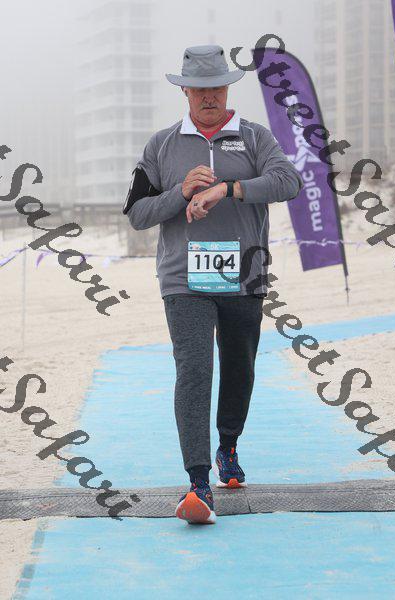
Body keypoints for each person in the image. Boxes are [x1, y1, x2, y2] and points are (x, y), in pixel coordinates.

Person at [123, 44, 303, 525]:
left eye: (216, 88)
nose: (209, 97)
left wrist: (229, 188)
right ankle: (198, 481)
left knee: (239, 368)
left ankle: (228, 446)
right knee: (194, 369)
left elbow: (288, 182)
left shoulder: (255, 136)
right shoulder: (161, 145)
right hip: (184, 280)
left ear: (227, 88)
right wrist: (179, 192)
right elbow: (137, 213)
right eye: (199, 89)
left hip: (245, 273)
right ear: (184, 91)